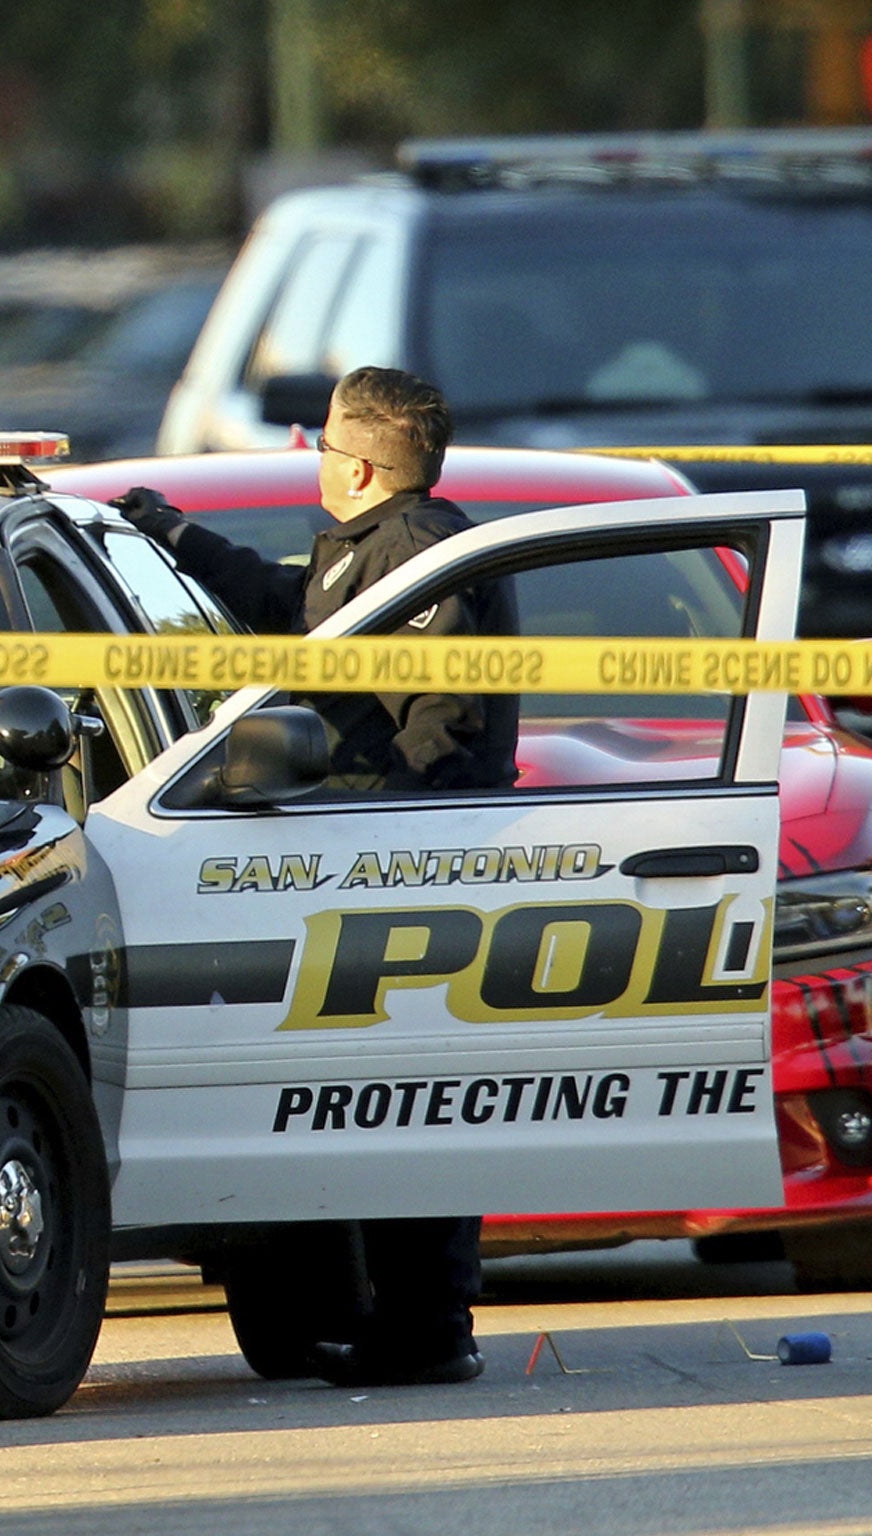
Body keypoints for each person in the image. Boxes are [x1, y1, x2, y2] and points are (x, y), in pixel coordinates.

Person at [109, 365, 510, 1387]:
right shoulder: (370, 551)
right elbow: (297, 614)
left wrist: (387, 844)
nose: (312, 455)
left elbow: (444, 732)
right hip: (358, 860)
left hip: (406, 871)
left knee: (410, 1103)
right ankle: (393, 1319)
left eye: (322, 441)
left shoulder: (420, 555)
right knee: (371, 1104)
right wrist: (178, 535)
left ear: (365, 464)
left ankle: (428, 1329)